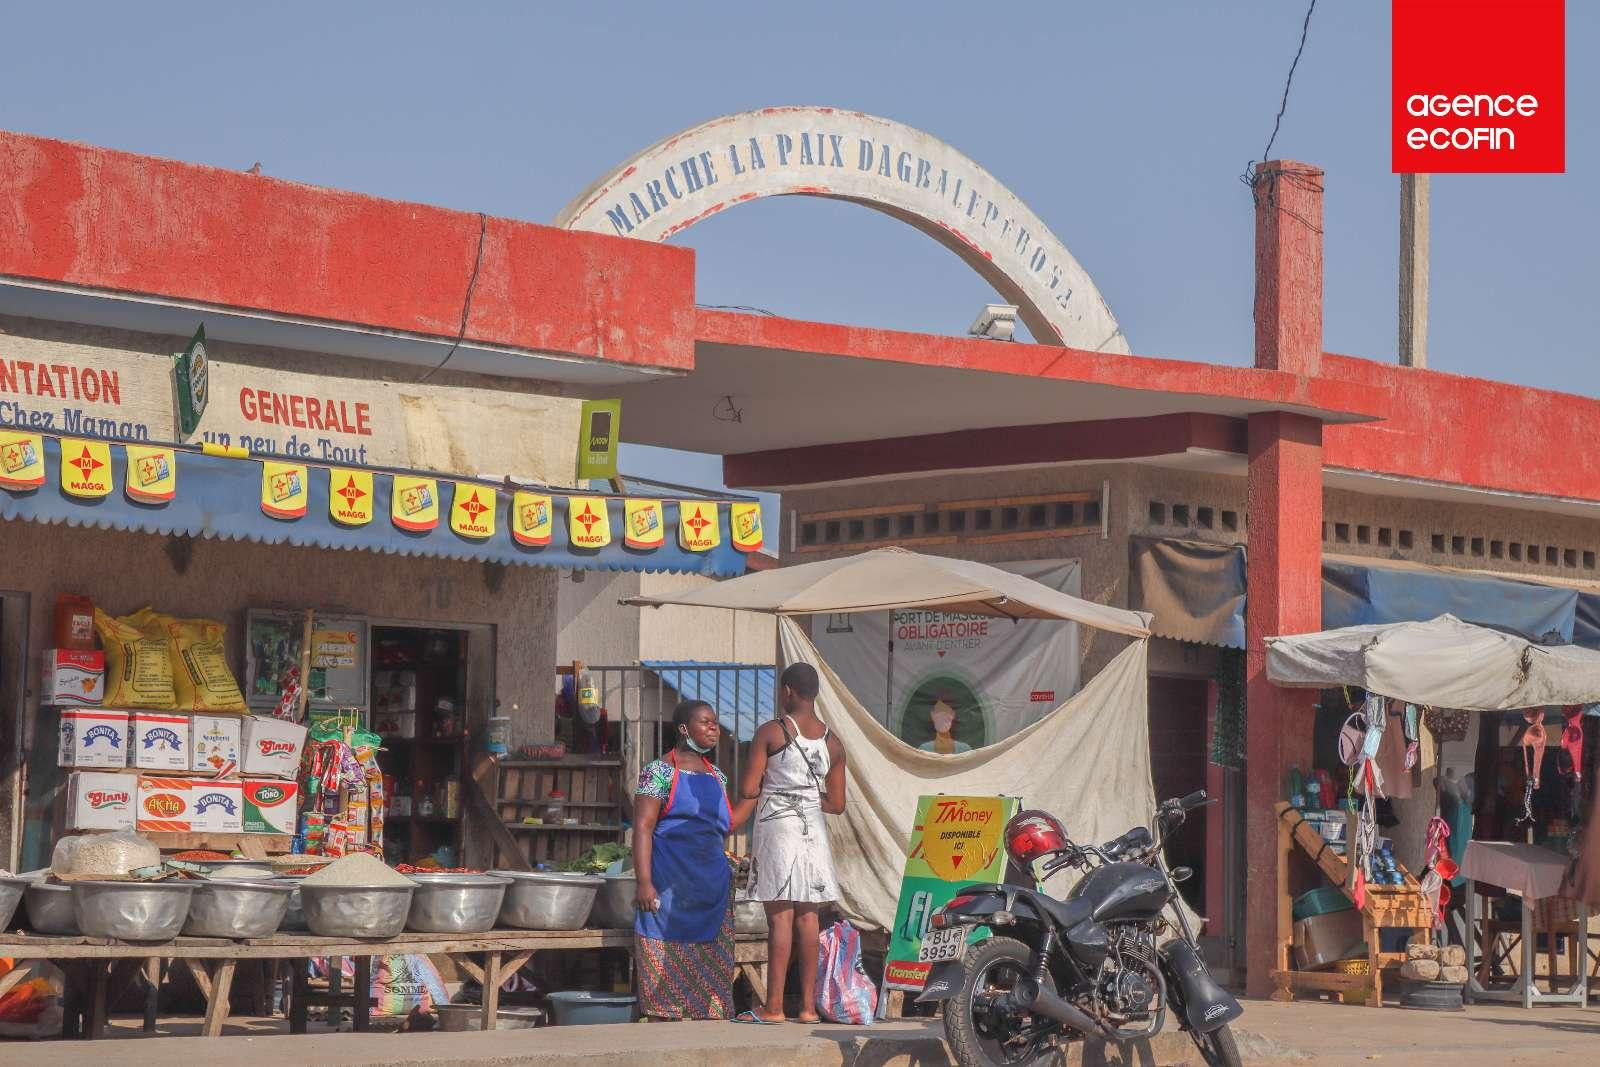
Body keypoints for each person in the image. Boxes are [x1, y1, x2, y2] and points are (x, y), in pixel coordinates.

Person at [632, 699, 753, 1020]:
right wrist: (644, 882)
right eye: (705, 722)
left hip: (712, 892)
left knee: (711, 1005)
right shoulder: (657, 772)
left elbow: (725, 825)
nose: (713, 727)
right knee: (664, 1003)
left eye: (715, 722)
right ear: (684, 729)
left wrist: (755, 794)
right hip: (668, 892)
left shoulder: (718, 777)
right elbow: (643, 828)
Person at [740, 662, 846, 1023]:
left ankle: (772, 1008)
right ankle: (806, 1009)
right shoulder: (833, 742)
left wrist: (775, 786)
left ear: (787, 690)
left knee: (780, 919)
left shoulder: (771, 732)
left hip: (778, 829)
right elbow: (837, 803)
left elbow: (748, 788)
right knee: (809, 918)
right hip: (813, 830)